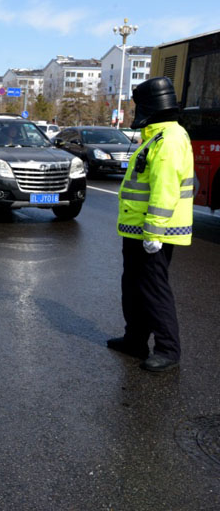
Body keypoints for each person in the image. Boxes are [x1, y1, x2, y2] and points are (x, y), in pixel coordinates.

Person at [109, 76, 194, 372]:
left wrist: (154, 231)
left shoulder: (169, 140)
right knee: (133, 286)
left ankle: (168, 349)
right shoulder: (156, 136)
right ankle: (135, 339)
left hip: (154, 232)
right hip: (137, 230)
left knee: (154, 289)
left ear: (151, 107)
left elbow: (165, 188)